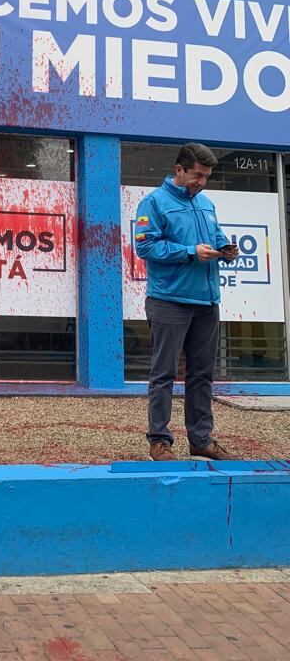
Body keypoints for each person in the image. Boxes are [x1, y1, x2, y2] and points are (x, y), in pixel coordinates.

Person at [134, 142, 239, 462]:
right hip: (169, 301)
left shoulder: (206, 203)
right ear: (178, 170)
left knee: (202, 375)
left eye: (206, 177)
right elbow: (146, 248)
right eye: (197, 175)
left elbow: (216, 236)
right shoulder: (153, 203)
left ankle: (201, 439)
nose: (202, 182)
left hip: (207, 301)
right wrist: (190, 252)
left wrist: (225, 248)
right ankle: (159, 441)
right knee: (163, 373)